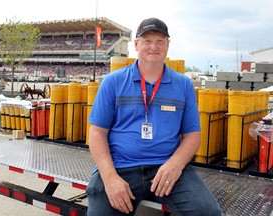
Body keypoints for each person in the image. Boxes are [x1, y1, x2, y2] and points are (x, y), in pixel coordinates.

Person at [86, 17, 222, 216]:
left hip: (166, 167)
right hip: (121, 166)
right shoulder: (112, 82)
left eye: (160, 41)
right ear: (136, 45)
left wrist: (175, 165)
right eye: (147, 40)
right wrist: (110, 177)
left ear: (168, 45)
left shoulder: (183, 85)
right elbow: (97, 132)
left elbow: (193, 136)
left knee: (207, 212)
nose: (154, 46)